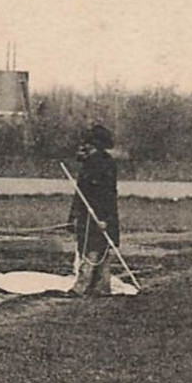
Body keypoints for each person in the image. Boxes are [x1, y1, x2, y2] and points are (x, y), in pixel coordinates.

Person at [68, 122, 121, 297]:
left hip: (98, 213)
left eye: (88, 145)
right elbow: (80, 193)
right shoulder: (89, 163)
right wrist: (73, 215)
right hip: (87, 212)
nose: (84, 148)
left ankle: (84, 285)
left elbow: (107, 193)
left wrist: (105, 217)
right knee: (93, 247)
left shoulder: (105, 165)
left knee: (94, 247)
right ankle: (101, 285)